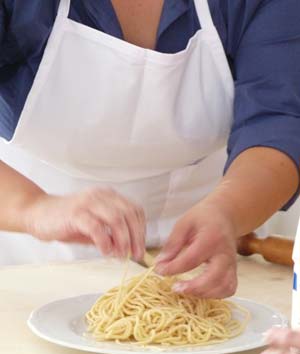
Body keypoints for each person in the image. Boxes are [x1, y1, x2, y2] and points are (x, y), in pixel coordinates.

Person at [0, 0, 300, 299]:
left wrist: (228, 211)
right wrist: (33, 208)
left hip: (213, 268)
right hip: (33, 266)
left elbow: (280, 117)